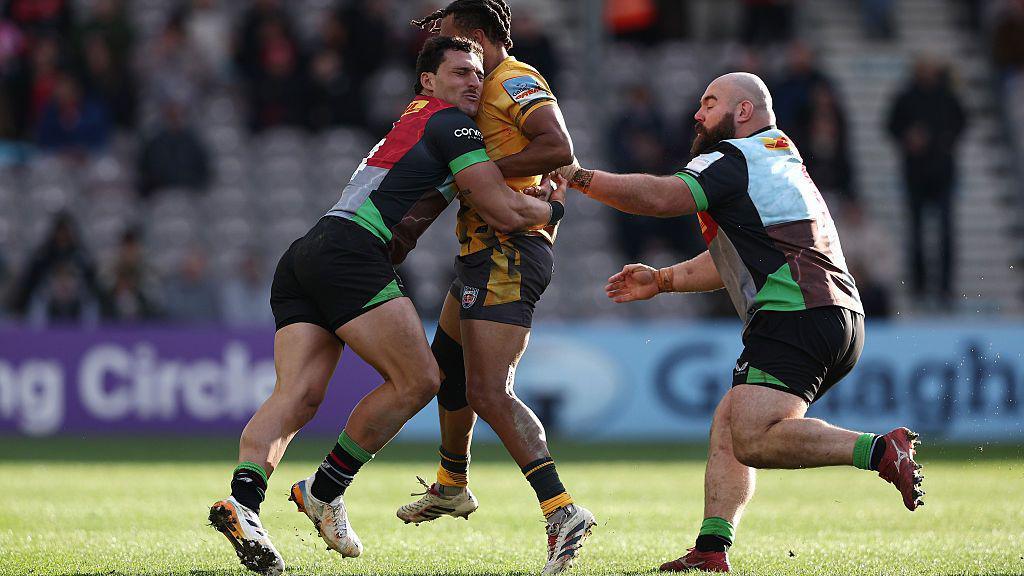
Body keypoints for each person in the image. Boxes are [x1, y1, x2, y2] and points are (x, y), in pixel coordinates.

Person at [207, 36, 568, 576]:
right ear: (428, 81)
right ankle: (325, 491)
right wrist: (552, 206)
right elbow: (500, 210)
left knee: (297, 396)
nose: (474, 81)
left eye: (477, 72)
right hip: (355, 254)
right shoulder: (453, 125)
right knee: (420, 379)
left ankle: (244, 502)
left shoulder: (416, 120)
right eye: (459, 72)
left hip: (308, 253)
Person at [556, 73, 923, 573]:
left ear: (743, 111)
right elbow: (733, 260)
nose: (697, 114)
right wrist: (662, 280)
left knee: (753, 436)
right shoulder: (777, 157)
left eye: (709, 103)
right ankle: (711, 548)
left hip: (796, 313)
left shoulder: (735, 157)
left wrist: (579, 178)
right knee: (732, 420)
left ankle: (880, 451)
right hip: (834, 313)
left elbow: (662, 198)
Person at [405, 3, 596, 574]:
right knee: (448, 367)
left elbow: (559, 148)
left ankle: (561, 509)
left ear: (478, 38)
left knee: (489, 390)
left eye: (453, 40)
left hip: (509, 248)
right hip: (479, 251)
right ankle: (451, 482)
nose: (449, 52)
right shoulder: (475, 92)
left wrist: (482, 166)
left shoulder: (513, 79)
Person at [886, 58, 966, 307]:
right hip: (916, 175)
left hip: (942, 173)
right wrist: (907, 138)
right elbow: (890, 126)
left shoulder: (947, 96)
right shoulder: (906, 97)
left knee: (945, 231)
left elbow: (962, 123)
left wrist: (943, 140)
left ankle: (945, 288)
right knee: (916, 231)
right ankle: (919, 286)